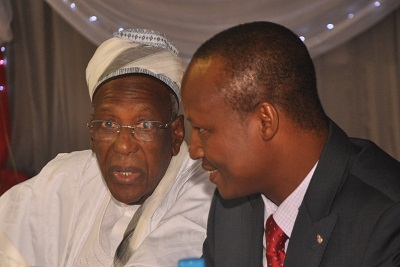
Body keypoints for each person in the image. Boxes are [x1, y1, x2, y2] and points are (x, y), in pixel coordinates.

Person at [181, 21, 400, 267]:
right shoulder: (231, 209)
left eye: (203, 130)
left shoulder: (387, 218)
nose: (194, 150)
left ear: (265, 121)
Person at [0, 28, 215, 267]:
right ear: (92, 134)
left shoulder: (203, 188)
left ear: (176, 135)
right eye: (109, 124)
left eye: (144, 124)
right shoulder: (69, 176)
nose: (123, 146)